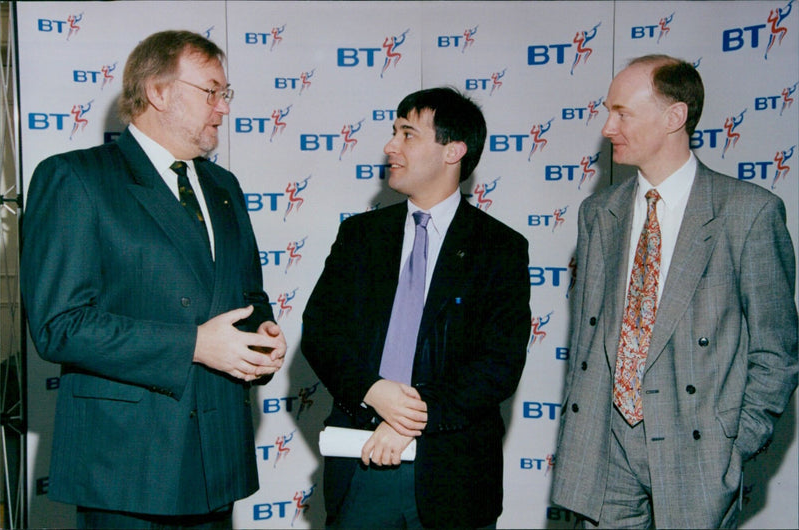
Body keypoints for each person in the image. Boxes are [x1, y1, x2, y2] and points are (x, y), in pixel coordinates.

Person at [21, 30, 287, 529]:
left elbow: (249, 295)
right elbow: (60, 324)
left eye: (225, 95)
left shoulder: (224, 186)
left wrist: (262, 339)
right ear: (159, 92)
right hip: (128, 466)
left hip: (217, 461)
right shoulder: (75, 178)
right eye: (211, 92)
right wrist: (193, 345)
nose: (223, 109)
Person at [551, 54, 798, 528]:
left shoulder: (748, 213)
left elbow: (777, 352)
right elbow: (586, 342)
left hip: (699, 453)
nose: (607, 127)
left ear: (674, 116)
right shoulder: (598, 213)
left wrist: (734, 442)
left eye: (623, 112)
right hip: (606, 451)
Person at [301, 87, 530, 528]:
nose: (390, 146)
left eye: (408, 134)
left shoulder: (499, 248)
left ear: (453, 151)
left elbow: (498, 365)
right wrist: (372, 390)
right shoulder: (360, 237)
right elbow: (321, 332)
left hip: (454, 473)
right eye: (394, 132)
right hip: (362, 461)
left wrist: (409, 417)